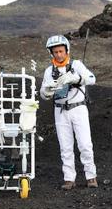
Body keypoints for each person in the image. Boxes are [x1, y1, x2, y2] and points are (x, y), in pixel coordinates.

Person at [40, 35, 98, 190]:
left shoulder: (76, 65)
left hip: (78, 108)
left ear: (66, 50)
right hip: (60, 111)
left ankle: (91, 176)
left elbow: (92, 79)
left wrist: (76, 78)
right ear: (51, 53)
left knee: (85, 144)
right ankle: (69, 179)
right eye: (55, 52)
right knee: (65, 146)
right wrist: (47, 91)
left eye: (61, 51)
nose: (58, 54)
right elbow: (43, 94)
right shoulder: (48, 71)